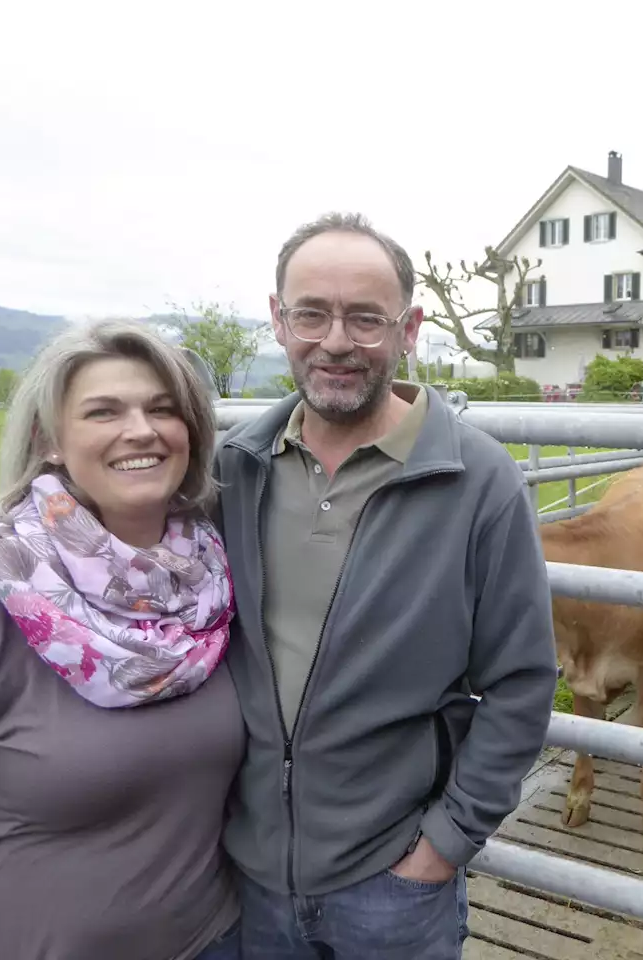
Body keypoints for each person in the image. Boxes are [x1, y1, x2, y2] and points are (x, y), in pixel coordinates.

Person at [211, 212, 558, 959]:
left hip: (392, 886)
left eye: (366, 318)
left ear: (409, 329)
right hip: (250, 878)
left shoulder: (478, 481)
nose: (336, 341)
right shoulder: (232, 469)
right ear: (278, 320)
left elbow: (523, 681)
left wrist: (443, 846)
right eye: (312, 313)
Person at [0, 319, 246, 960]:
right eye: (104, 411)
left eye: (163, 409)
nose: (141, 430)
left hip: (213, 940)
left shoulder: (217, 578)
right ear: (49, 440)